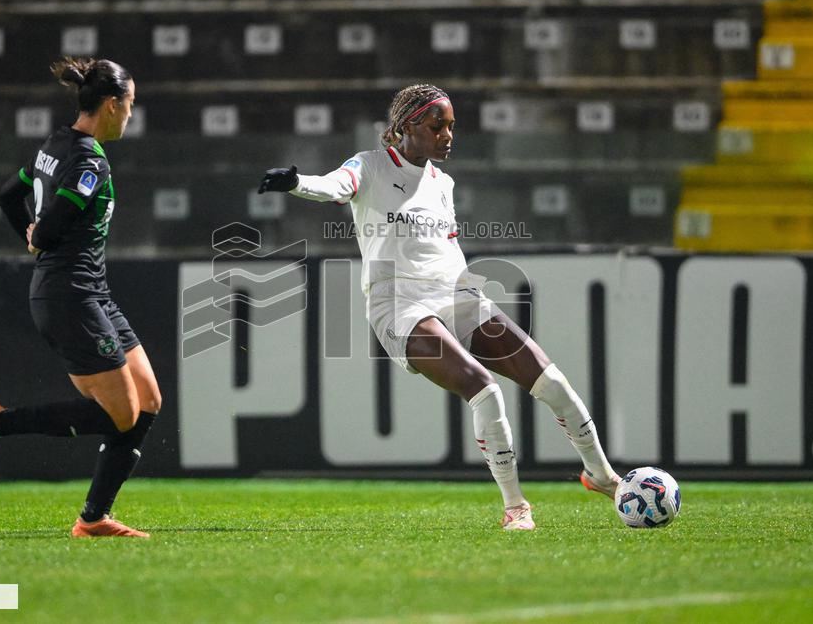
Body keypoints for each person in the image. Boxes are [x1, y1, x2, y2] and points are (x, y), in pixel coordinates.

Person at [258, 84, 620, 531]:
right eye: (437, 125)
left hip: (458, 293)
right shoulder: (370, 166)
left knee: (552, 381)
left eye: (451, 126)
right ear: (408, 126)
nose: (448, 134)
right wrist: (297, 182)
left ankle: (602, 476)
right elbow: (335, 186)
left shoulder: (442, 183)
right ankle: (516, 506)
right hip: (398, 302)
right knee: (483, 387)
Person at [0, 58, 161, 538]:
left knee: (147, 399)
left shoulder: (55, 145)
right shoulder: (89, 161)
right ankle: (0, 423)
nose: (130, 114)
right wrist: (37, 237)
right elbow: (46, 232)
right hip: (69, 296)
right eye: (130, 105)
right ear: (112, 104)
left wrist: (32, 235)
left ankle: (93, 519)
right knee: (121, 414)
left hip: (88, 291)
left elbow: (8, 196)